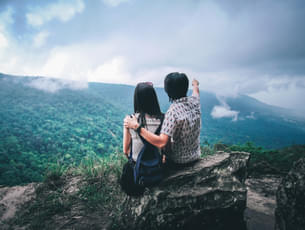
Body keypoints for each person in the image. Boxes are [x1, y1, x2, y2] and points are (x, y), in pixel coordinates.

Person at [124, 72, 201, 169]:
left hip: (179, 160)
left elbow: (162, 142)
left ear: (167, 91)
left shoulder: (172, 113)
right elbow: (196, 92)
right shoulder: (195, 101)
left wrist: (137, 127)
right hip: (195, 156)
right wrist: (195, 84)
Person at [120, 82, 164, 195]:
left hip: (138, 168)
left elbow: (125, 151)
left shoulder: (130, 120)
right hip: (157, 167)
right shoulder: (163, 119)